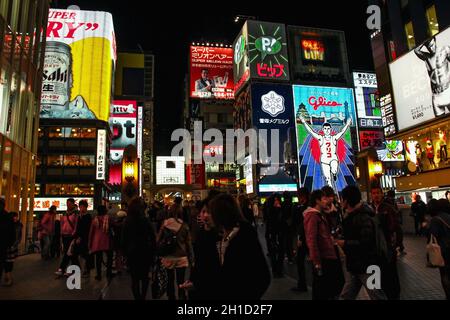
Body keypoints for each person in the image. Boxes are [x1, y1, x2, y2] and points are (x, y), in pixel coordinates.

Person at [208, 193, 271, 300]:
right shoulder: (219, 235)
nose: (207, 216)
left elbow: (262, 274)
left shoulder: (244, 235)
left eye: (210, 212)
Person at [337, 186, 387, 300]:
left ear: (347, 200)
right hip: (356, 264)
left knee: (376, 295)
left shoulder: (363, 217)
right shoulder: (354, 214)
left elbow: (366, 243)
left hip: (368, 264)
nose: (340, 202)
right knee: (347, 295)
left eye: (342, 199)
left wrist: (345, 243)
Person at [304, 190, 344, 300]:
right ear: (317, 200)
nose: (326, 201)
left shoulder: (320, 215)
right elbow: (311, 239)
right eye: (324, 199)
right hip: (323, 257)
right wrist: (316, 261)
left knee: (327, 289)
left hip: (328, 255)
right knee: (322, 290)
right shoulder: (312, 216)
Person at [299, 115, 352, 192]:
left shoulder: (334, 138)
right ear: (323, 130)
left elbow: (342, 132)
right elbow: (311, 131)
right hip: (324, 160)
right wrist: (303, 122)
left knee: (334, 170)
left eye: (328, 129)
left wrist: (347, 124)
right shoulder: (321, 138)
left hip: (333, 158)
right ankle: (332, 191)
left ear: (330, 130)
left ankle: (334, 174)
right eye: (325, 129)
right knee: (327, 178)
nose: (327, 130)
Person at [184, 196, 221, 300]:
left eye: (209, 212)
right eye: (203, 211)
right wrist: (192, 280)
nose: (205, 215)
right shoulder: (201, 235)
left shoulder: (222, 236)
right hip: (199, 289)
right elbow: (199, 263)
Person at [369, 186, 401, 300]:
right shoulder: (369, 209)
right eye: (373, 193)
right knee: (377, 275)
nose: (376, 195)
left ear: (382, 194)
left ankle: (393, 295)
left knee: (390, 273)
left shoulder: (388, 208)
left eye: (378, 193)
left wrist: (397, 245)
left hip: (387, 246)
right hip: (374, 248)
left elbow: (395, 227)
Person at [157, 202, 193, 300]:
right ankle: (181, 296)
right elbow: (188, 243)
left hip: (168, 256)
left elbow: (158, 239)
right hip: (181, 256)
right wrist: (191, 257)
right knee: (181, 280)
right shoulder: (184, 225)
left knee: (169, 279)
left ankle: (171, 296)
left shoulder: (165, 224)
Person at [122, 197, 155, 300]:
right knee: (145, 278)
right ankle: (143, 297)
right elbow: (153, 237)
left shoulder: (127, 221)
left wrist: (124, 253)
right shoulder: (145, 220)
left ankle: (137, 298)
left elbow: (123, 239)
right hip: (146, 252)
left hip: (132, 253)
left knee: (134, 279)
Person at [414, 36, 450, 116]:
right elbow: (416, 50)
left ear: (435, 41)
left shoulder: (445, 50)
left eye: (432, 45)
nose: (431, 48)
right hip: (436, 96)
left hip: (448, 91)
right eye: (429, 47)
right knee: (440, 126)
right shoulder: (426, 57)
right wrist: (425, 40)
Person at [428, 199, 450, 299]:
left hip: (444, 250)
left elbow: (434, 235)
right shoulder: (448, 216)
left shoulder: (435, 219)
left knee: (445, 274)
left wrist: (425, 228)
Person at [55, 198, 79, 276]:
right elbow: (62, 224)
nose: (68, 205)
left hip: (71, 235)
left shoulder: (76, 214)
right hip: (65, 235)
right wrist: (61, 233)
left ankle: (62, 268)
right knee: (70, 254)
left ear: (73, 204)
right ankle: (74, 269)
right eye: (67, 203)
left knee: (68, 253)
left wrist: (74, 233)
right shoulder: (64, 213)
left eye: (69, 203)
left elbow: (76, 224)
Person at [89, 205, 113, 281]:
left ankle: (98, 275)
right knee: (109, 258)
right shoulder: (108, 219)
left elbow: (91, 232)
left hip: (97, 242)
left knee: (98, 259)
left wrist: (90, 242)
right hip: (107, 241)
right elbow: (114, 226)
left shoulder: (94, 220)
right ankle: (109, 273)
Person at [292, 187, 309, 292]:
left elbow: (300, 223)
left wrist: (300, 237)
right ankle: (302, 284)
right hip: (306, 236)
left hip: (304, 237)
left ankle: (302, 285)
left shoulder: (303, 208)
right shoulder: (308, 206)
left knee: (300, 261)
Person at [264, 194, 285, 277]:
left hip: (280, 232)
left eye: (278, 200)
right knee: (273, 252)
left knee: (281, 252)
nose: (276, 202)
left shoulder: (282, 208)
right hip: (272, 233)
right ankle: (275, 270)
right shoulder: (270, 210)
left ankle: (279, 270)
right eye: (275, 200)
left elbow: (283, 220)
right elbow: (269, 220)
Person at [2, 212, 23, 286]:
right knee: (7, 262)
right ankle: (8, 277)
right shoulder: (8, 225)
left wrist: (16, 244)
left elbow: (19, 236)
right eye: (14, 217)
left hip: (13, 246)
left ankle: (7, 276)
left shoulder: (19, 225)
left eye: (16, 216)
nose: (15, 218)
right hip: (7, 246)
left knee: (10, 262)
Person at [76, 200, 93, 278]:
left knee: (86, 255)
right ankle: (84, 270)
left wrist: (81, 237)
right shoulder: (79, 216)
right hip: (80, 239)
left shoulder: (88, 216)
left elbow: (87, 229)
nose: (81, 208)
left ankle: (86, 271)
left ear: (86, 207)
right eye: (80, 207)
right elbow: (78, 228)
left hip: (86, 239)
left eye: (83, 207)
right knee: (81, 255)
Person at [0, 199, 14, 283]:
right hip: (4, 243)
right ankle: (7, 276)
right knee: (4, 260)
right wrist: (10, 243)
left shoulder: (7, 216)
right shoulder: (7, 216)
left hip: (4, 242)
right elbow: (11, 231)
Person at [281, 192, 296, 263]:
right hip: (291, 225)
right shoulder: (292, 204)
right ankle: (292, 256)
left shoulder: (282, 204)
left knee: (286, 241)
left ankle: (288, 256)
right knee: (291, 241)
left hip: (284, 225)